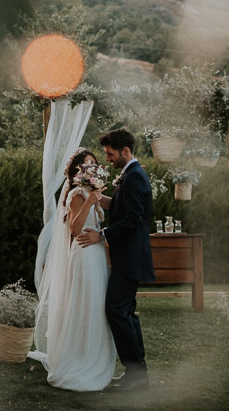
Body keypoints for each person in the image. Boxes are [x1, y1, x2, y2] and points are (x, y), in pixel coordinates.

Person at [34, 147, 118, 391]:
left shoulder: (91, 191)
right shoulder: (76, 194)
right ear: (77, 171)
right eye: (86, 165)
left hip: (98, 254)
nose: (90, 167)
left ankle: (96, 357)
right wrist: (90, 201)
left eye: (93, 163)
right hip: (83, 254)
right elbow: (74, 228)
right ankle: (80, 361)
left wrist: (125, 189)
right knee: (86, 304)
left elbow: (114, 205)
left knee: (97, 305)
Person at [77, 127, 154, 392]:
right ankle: (138, 371)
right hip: (128, 256)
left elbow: (133, 218)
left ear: (125, 151)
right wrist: (95, 196)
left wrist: (102, 234)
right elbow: (121, 206)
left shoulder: (134, 176)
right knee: (126, 312)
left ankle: (135, 372)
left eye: (110, 154)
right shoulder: (130, 174)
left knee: (116, 310)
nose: (107, 159)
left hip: (131, 256)